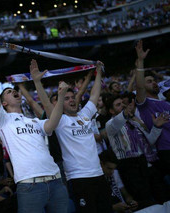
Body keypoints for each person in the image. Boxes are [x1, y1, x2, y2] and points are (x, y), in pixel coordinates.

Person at [0, 42, 69, 213]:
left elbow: (54, 122)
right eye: (8, 91)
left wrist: (60, 96)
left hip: (56, 181)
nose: (14, 91)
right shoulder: (3, 119)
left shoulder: (34, 121)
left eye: (15, 90)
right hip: (30, 185)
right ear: (3, 103)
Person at [32, 59, 112, 213]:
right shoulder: (60, 120)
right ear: (60, 104)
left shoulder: (86, 114)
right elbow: (47, 104)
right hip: (78, 178)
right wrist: (37, 82)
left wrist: (99, 72)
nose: (71, 100)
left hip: (99, 174)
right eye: (66, 98)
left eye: (73, 97)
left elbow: (95, 93)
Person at [135, 40, 170, 196]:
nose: (154, 83)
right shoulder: (145, 104)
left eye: (155, 80)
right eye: (149, 81)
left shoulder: (169, 104)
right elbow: (139, 86)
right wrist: (141, 61)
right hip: (168, 152)